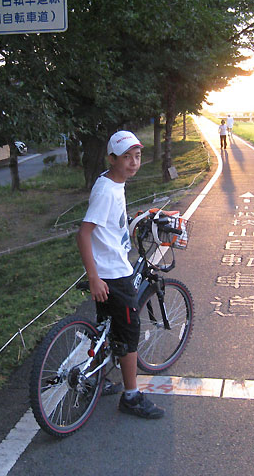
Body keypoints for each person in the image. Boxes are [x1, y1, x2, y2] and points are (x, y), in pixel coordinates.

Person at [76, 130, 165, 419]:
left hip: (110, 268)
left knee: (106, 328)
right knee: (129, 334)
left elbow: (107, 224)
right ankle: (131, 396)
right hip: (112, 275)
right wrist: (94, 277)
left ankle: (96, 380)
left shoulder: (113, 181)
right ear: (112, 158)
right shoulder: (106, 191)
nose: (133, 162)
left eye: (137, 156)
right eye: (126, 157)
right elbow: (84, 234)